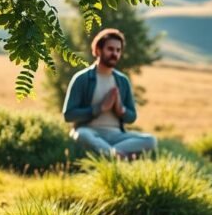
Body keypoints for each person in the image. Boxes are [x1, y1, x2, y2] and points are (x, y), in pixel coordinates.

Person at [62, 28, 157, 159]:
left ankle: (111, 153)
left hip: (117, 136)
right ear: (98, 50)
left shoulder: (122, 81)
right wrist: (100, 108)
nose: (115, 54)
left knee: (150, 140)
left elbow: (132, 117)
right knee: (81, 135)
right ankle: (117, 155)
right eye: (110, 49)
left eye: (118, 50)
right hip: (90, 133)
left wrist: (120, 110)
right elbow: (69, 115)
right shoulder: (82, 78)